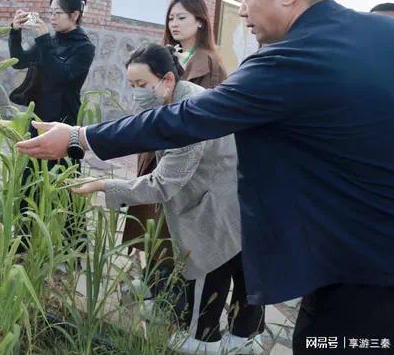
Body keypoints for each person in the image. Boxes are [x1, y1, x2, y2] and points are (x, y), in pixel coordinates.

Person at [15, 0, 394, 354]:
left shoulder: (291, 58)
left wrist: (79, 136)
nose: (243, 10)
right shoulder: (387, 33)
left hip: (357, 272)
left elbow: (187, 119)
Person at [76, 42, 263, 354]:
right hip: (232, 198)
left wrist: (104, 186)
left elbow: (163, 184)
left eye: (142, 84)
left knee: (206, 283)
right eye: (132, 85)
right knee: (240, 276)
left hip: (214, 207)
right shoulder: (183, 98)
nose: (137, 93)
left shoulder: (189, 116)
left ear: (167, 79)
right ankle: (244, 338)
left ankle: (203, 342)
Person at [123, 0, 229, 283]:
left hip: (185, 157)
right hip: (155, 150)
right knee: (152, 226)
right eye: (171, 18)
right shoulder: (162, 54)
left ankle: (168, 289)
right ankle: (152, 283)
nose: (175, 24)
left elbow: (210, 120)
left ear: (201, 22)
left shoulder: (211, 65)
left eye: (182, 17)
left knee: (173, 229)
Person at [9, 0, 95, 257]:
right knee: (29, 180)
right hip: (38, 118)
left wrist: (44, 39)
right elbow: (18, 61)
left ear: (75, 15)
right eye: (50, 12)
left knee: (67, 186)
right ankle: (23, 244)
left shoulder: (84, 47)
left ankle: (75, 250)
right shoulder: (50, 40)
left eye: (58, 13)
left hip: (64, 124)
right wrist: (15, 31)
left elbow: (61, 76)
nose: (53, 18)